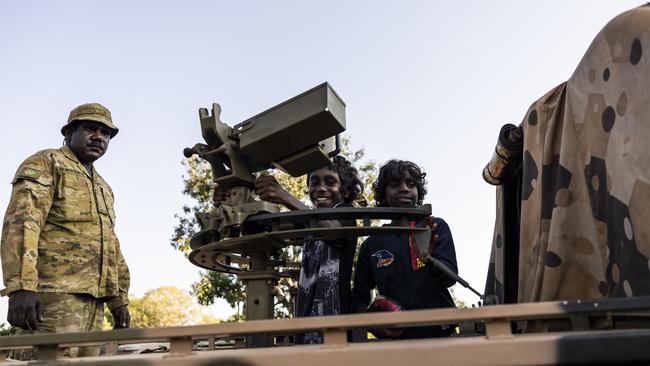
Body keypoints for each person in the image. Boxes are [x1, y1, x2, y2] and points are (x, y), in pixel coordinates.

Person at [1, 103, 131, 359]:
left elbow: (111, 244)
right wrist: (21, 287)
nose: (99, 137)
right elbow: (23, 222)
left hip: (94, 304)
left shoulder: (104, 187)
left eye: (105, 133)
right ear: (70, 132)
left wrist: (119, 300)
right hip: (50, 298)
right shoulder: (48, 162)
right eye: (90, 129)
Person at [216, 156, 363, 344]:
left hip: (336, 329)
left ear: (345, 189)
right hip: (308, 327)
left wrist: (283, 195)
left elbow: (333, 230)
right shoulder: (308, 221)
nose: (321, 188)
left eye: (331, 181)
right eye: (314, 182)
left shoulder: (345, 211)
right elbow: (265, 227)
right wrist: (232, 203)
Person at [352, 159, 457, 339]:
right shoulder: (371, 244)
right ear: (383, 194)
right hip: (397, 341)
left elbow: (450, 278)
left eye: (411, 184)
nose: (404, 188)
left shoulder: (434, 227)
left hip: (443, 335)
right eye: (395, 184)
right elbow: (358, 299)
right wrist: (372, 327)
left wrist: (430, 261)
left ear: (418, 192)